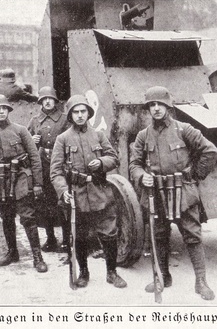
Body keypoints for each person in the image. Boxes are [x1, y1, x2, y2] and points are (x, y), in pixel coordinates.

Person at [129, 86, 217, 300]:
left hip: (182, 193)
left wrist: (194, 175)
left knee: (192, 234)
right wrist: (142, 176)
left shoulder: (184, 129)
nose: (156, 109)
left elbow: (210, 151)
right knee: (158, 235)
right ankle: (162, 276)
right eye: (152, 105)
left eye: (160, 104)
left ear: (168, 106)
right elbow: (134, 164)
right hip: (156, 193)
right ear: (148, 109)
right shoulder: (143, 136)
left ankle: (201, 281)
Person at [50, 94, 127, 288]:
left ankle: (111, 272)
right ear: (70, 115)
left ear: (88, 113)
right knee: (80, 237)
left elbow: (113, 158)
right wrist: (62, 190)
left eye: (83, 111)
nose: (79, 115)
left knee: (109, 234)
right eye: (75, 112)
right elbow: (55, 172)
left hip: (100, 192)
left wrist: (101, 162)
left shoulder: (99, 135)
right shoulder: (63, 139)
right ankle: (84, 273)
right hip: (77, 196)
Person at [0, 95, 47, 273]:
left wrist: (37, 183)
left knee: (27, 216)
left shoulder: (21, 130)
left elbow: (34, 157)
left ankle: (37, 257)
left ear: (8, 110)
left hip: (21, 177)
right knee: (6, 216)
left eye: (4, 109)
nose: (1, 112)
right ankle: (12, 252)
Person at [27, 86, 71, 253]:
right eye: (44, 99)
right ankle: (51, 238)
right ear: (40, 102)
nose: (47, 101)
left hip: (60, 165)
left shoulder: (64, 119)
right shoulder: (34, 120)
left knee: (63, 202)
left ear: (55, 101)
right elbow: (26, 144)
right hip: (43, 166)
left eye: (50, 99)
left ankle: (67, 240)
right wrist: (32, 140)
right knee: (45, 204)